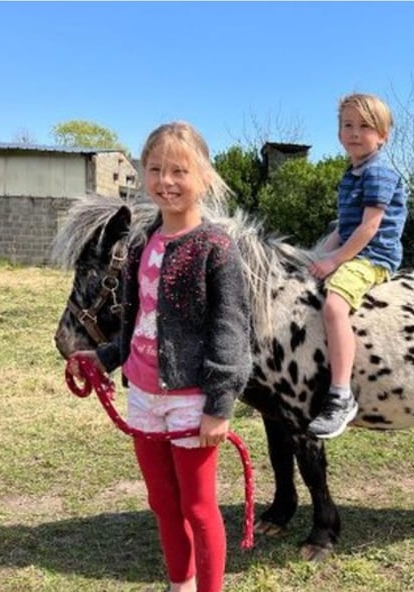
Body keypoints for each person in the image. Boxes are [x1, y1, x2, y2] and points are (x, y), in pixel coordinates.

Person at [68, 121, 252, 592]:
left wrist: (220, 406)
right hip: (143, 396)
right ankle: (179, 584)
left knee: (198, 508)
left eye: (178, 170)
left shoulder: (215, 249)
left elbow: (230, 331)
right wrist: (105, 356)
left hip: (192, 399)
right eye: (155, 169)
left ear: (204, 176)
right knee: (163, 504)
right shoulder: (141, 243)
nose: (166, 181)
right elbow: (140, 321)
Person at [307, 93, 408, 439]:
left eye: (365, 126)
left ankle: (341, 395)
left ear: (383, 136)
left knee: (334, 306)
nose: (354, 132)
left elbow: (369, 227)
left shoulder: (378, 172)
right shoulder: (352, 174)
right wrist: (314, 257)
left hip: (373, 256)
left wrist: (335, 260)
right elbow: (342, 229)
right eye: (347, 125)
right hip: (353, 248)